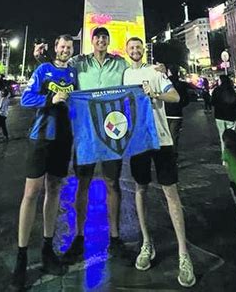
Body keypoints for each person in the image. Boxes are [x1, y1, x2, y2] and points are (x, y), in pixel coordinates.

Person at [124, 38, 196, 288]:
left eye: (138, 47)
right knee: (140, 189)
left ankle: (183, 254)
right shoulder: (122, 75)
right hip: (138, 141)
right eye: (131, 47)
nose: (135, 50)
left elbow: (175, 96)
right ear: (126, 51)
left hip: (162, 139)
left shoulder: (155, 71)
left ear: (143, 50)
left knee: (171, 193)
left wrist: (156, 93)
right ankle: (146, 242)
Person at [11, 34, 77, 290]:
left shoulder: (73, 74)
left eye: (69, 47)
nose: (64, 50)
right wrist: (51, 99)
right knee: (31, 193)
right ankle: (21, 255)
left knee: (55, 190)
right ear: (55, 47)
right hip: (41, 138)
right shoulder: (42, 69)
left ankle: (48, 249)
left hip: (63, 140)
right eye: (61, 46)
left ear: (72, 50)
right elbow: (27, 98)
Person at [63, 26, 128, 265]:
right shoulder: (79, 63)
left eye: (105, 37)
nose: (101, 40)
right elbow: (58, 69)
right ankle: (79, 236)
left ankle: (115, 236)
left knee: (112, 182)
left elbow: (136, 76)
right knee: (83, 183)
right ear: (92, 41)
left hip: (111, 130)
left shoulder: (119, 64)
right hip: (86, 132)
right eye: (98, 37)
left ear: (108, 41)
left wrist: (158, 70)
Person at [211, 74, 236, 153]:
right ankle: (232, 154)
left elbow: (212, 102)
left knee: (222, 136)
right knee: (231, 136)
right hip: (231, 116)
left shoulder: (216, 90)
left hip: (219, 116)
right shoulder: (231, 90)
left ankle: (225, 156)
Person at [164, 65, 189, 157]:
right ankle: (173, 156)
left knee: (165, 137)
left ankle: (166, 156)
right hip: (177, 114)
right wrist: (179, 105)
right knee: (174, 136)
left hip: (165, 113)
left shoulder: (165, 82)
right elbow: (186, 100)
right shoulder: (181, 84)